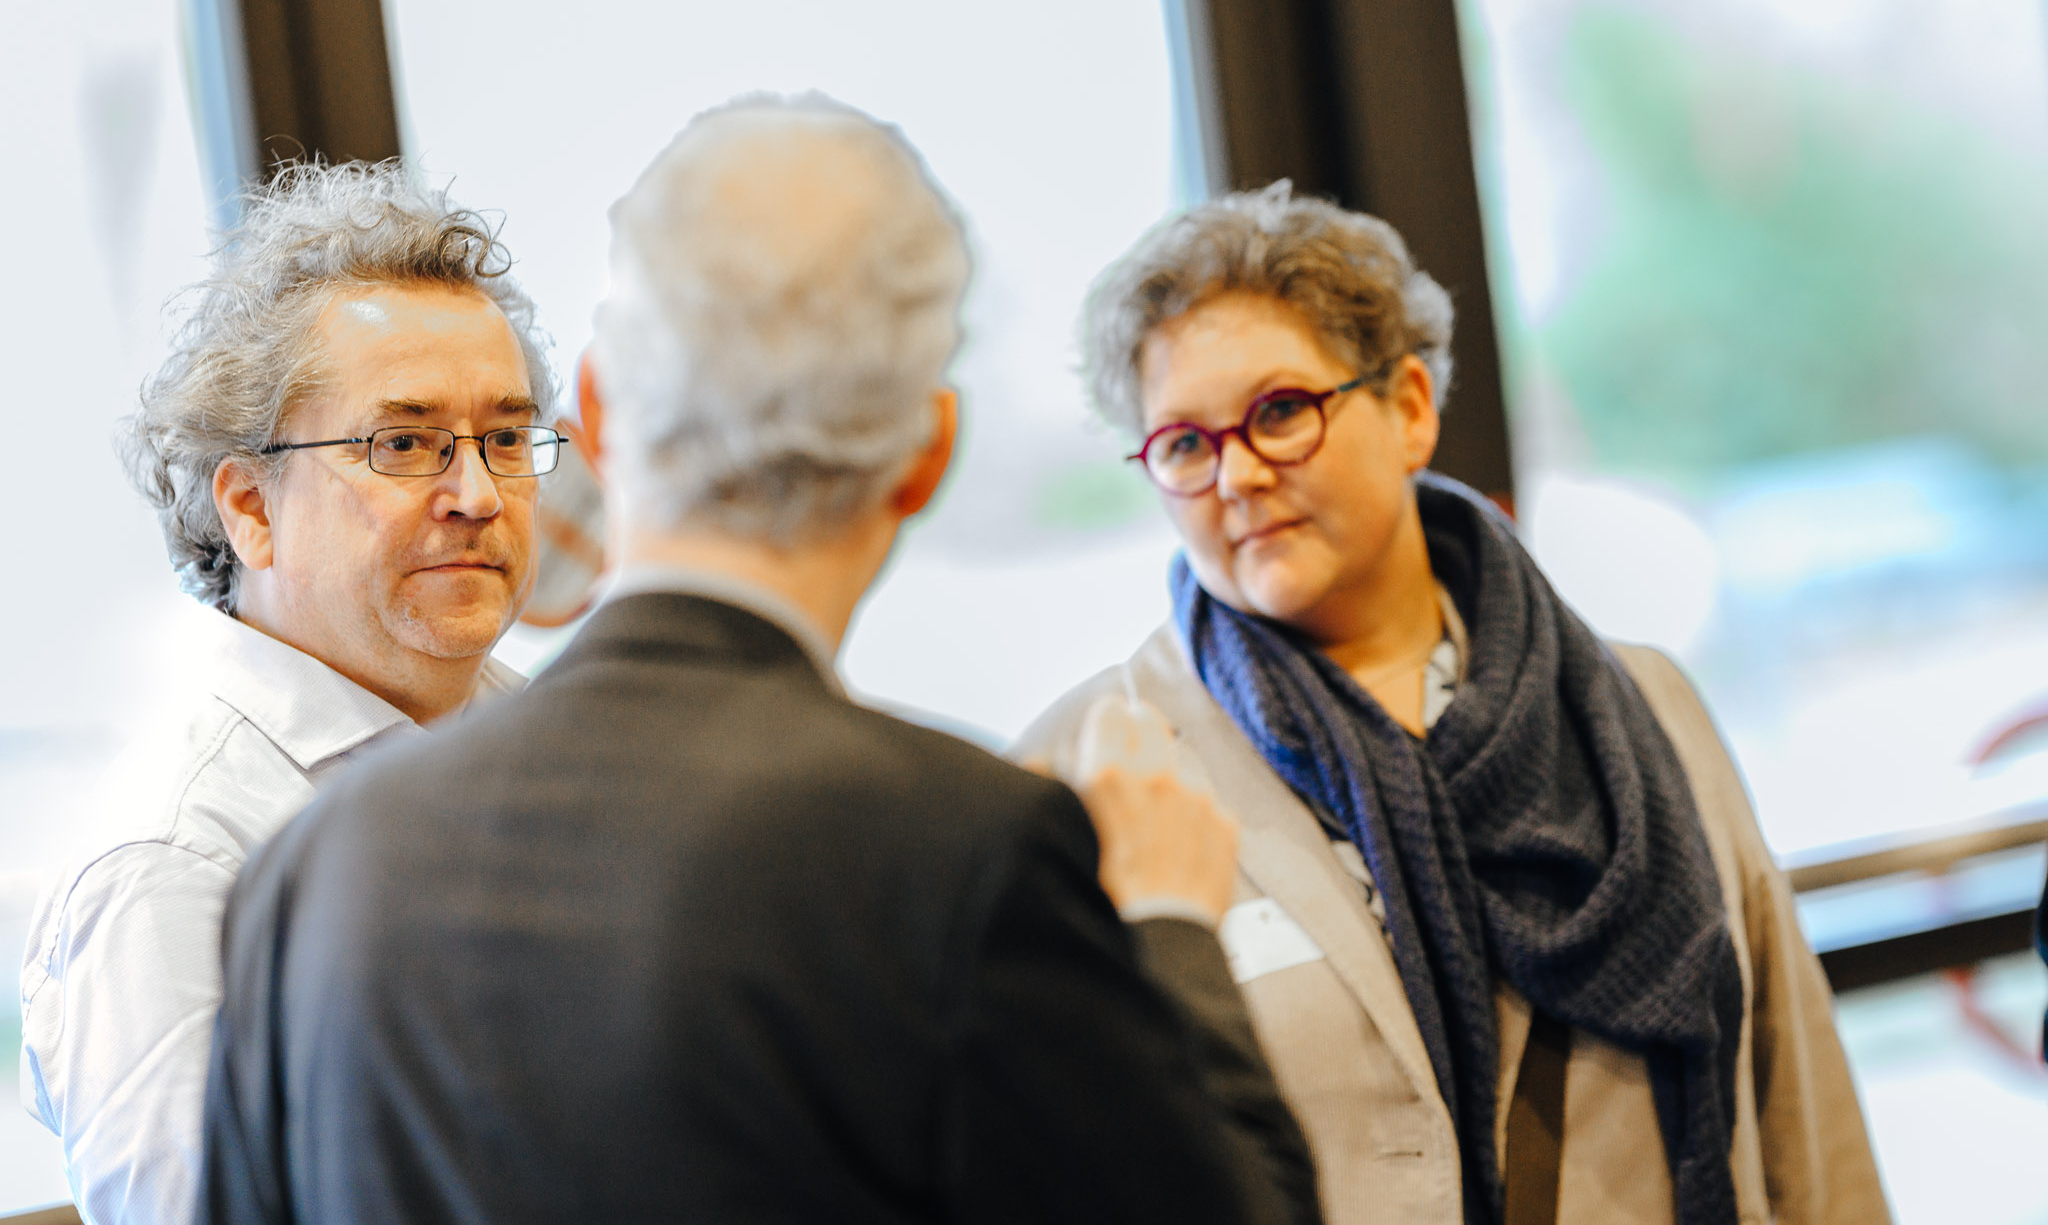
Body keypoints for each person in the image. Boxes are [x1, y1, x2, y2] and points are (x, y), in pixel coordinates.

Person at [197, 98, 1321, 1225]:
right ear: (928, 452)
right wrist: (1169, 927)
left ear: (598, 413)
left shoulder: (308, 876)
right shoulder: (967, 852)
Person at [1015, 182, 1891, 1225]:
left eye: (1280, 411)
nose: (1236, 473)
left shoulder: (1643, 707)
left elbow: (1799, 1105)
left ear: (1410, 409)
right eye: (1185, 445)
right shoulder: (1091, 771)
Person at [19, 160, 561, 1225]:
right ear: (250, 508)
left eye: (504, 438)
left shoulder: (561, 749)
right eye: (403, 443)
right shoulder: (174, 858)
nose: (476, 494)